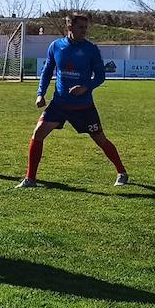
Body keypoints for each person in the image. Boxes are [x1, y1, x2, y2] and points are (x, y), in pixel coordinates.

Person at [17, 14, 127, 188]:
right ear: (70, 27)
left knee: (100, 140)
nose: (84, 31)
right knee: (37, 134)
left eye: (85, 27)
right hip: (59, 104)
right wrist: (40, 94)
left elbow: (100, 76)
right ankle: (30, 179)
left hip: (83, 107)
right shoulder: (56, 46)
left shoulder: (91, 49)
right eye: (80, 27)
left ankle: (122, 172)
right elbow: (47, 72)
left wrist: (86, 87)